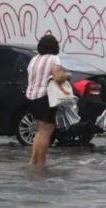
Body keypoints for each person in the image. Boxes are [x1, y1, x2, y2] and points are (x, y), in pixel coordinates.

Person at [26, 34, 73, 167]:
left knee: (40, 131)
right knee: (47, 132)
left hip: (32, 97)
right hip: (45, 97)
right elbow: (58, 77)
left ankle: (33, 161)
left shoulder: (34, 59)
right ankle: (41, 163)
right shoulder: (54, 59)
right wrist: (68, 75)